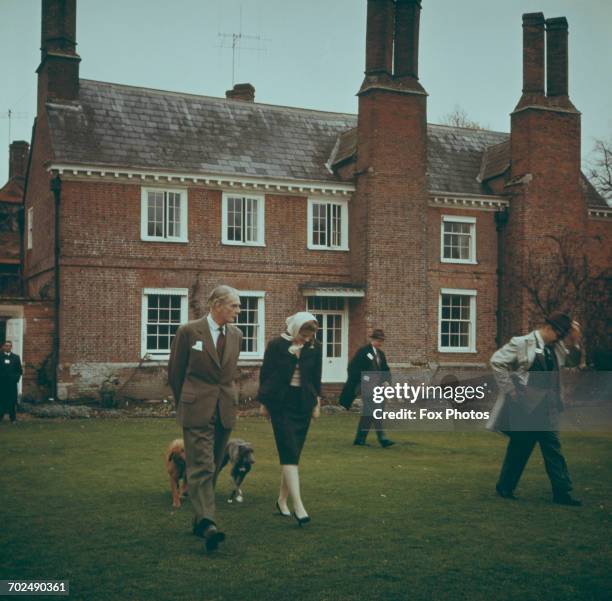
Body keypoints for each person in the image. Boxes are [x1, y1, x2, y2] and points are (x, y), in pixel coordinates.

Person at [167, 285, 243, 552]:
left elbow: (230, 373)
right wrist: (185, 402)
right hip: (195, 407)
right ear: (217, 305)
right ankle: (209, 524)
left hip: (224, 410)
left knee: (213, 465)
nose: (238, 310)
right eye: (234, 305)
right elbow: (175, 373)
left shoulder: (236, 334)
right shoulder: (188, 331)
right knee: (201, 465)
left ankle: (198, 518)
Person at [488, 311, 585, 506]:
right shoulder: (522, 342)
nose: (560, 338)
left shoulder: (555, 347)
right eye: (559, 334)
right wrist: (511, 390)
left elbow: (574, 362)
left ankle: (562, 493)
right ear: (550, 328)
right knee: (519, 449)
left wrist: (575, 339)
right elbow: (496, 361)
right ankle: (505, 488)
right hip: (526, 407)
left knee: (553, 449)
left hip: (548, 408)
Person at [258, 312, 322, 526]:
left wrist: (316, 403)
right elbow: (266, 375)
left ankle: (282, 500)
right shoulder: (276, 345)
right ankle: (299, 506)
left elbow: (315, 378)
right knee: (288, 452)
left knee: (293, 454)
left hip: (303, 404)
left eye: (311, 334)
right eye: (304, 333)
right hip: (280, 405)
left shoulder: (314, 348)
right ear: (295, 328)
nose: (307, 338)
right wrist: (264, 403)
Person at [339, 329, 395, 448]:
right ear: (372, 339)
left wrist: (387, 382)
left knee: (369, 413)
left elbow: (385, 370)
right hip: (366, 388)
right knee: (375, 411)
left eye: (381, 340)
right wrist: (365, 380)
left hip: (378, 388)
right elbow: (352, 368)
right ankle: (382, 438)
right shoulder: (363, 352)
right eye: (378, 340)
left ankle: (360, 440)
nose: (380, 342)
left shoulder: (381, 354)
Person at [0, 341, 23, 424]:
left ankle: (13, 418)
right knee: (1, 400)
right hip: (1, 384)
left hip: (12, 384)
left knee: (12, 400)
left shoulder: (16, 357)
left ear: (11, 347)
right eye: (6, 346)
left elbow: (19, 371)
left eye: (9, 346)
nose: (8, 347)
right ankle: (0, 417)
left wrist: (15, 379)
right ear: (3, 347)